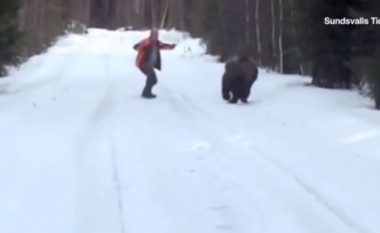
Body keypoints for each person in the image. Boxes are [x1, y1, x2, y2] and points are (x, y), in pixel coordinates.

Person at [133, 29, 176, 98]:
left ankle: (146, 92)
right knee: (153, 79)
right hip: (143, 64)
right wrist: (139, 47)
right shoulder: (146, 42)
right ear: (151, 35)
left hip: (149, 64)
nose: (155, 37)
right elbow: (136, 46)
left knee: (152, 79)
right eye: (154, 35)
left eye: (156, 35)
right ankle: (146, 93)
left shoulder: (156, 43)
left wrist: (171, 46)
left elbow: (163, 46)